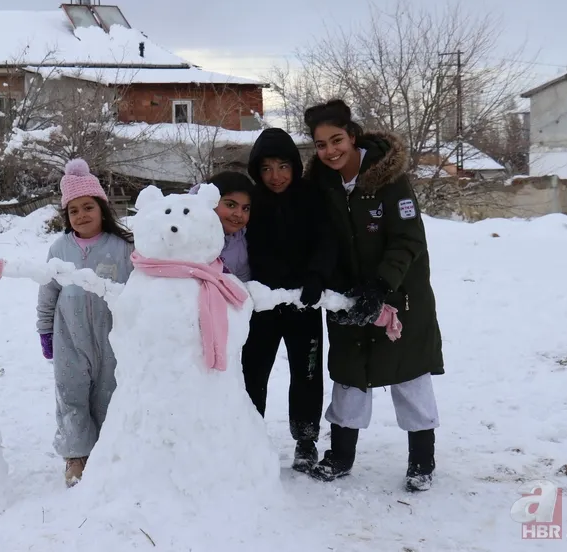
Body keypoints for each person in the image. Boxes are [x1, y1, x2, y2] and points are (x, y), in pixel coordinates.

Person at [302, 99, 444, 492]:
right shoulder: (322, 185)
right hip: (347, 296)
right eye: (321, 144)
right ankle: (340, 456)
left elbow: (408, 239)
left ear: (352, 135)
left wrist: (380, 286)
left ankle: (422, 461)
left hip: (400, 295)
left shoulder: (388, 178)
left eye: (337, 140)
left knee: (409, 374)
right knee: (349, 373)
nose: (330, 151)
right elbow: (322, 240)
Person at [0, 158, 134, 488]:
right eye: (73, 210)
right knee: (71, 395)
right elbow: (48, 291)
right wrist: (45, 331)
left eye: (88, 207)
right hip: (69, 337)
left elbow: (138, 293)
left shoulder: (122, 247)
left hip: (113, 338)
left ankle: (107, 451)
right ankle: (76, 456)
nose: (81, 215)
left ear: (102, 208)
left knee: (109, 393)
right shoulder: (60, 248)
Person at [242, 127, 336, 472]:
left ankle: (306, 439)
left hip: (303, 303)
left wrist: (317, 276)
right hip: (261, 305)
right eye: (266, 168)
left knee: (306, 372)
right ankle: (248, 436)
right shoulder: (251, 201)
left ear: (295, 166)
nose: (276, 176)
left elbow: (327, 240)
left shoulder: (312, 197)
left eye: (283, 166)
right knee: (252, 373)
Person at [188, 170, 255, 282]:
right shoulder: (185, 233)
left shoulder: (239, 244)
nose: (239, 214)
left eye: (245, 208)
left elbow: (243, 284)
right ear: (211, 201)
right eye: (231, 205)